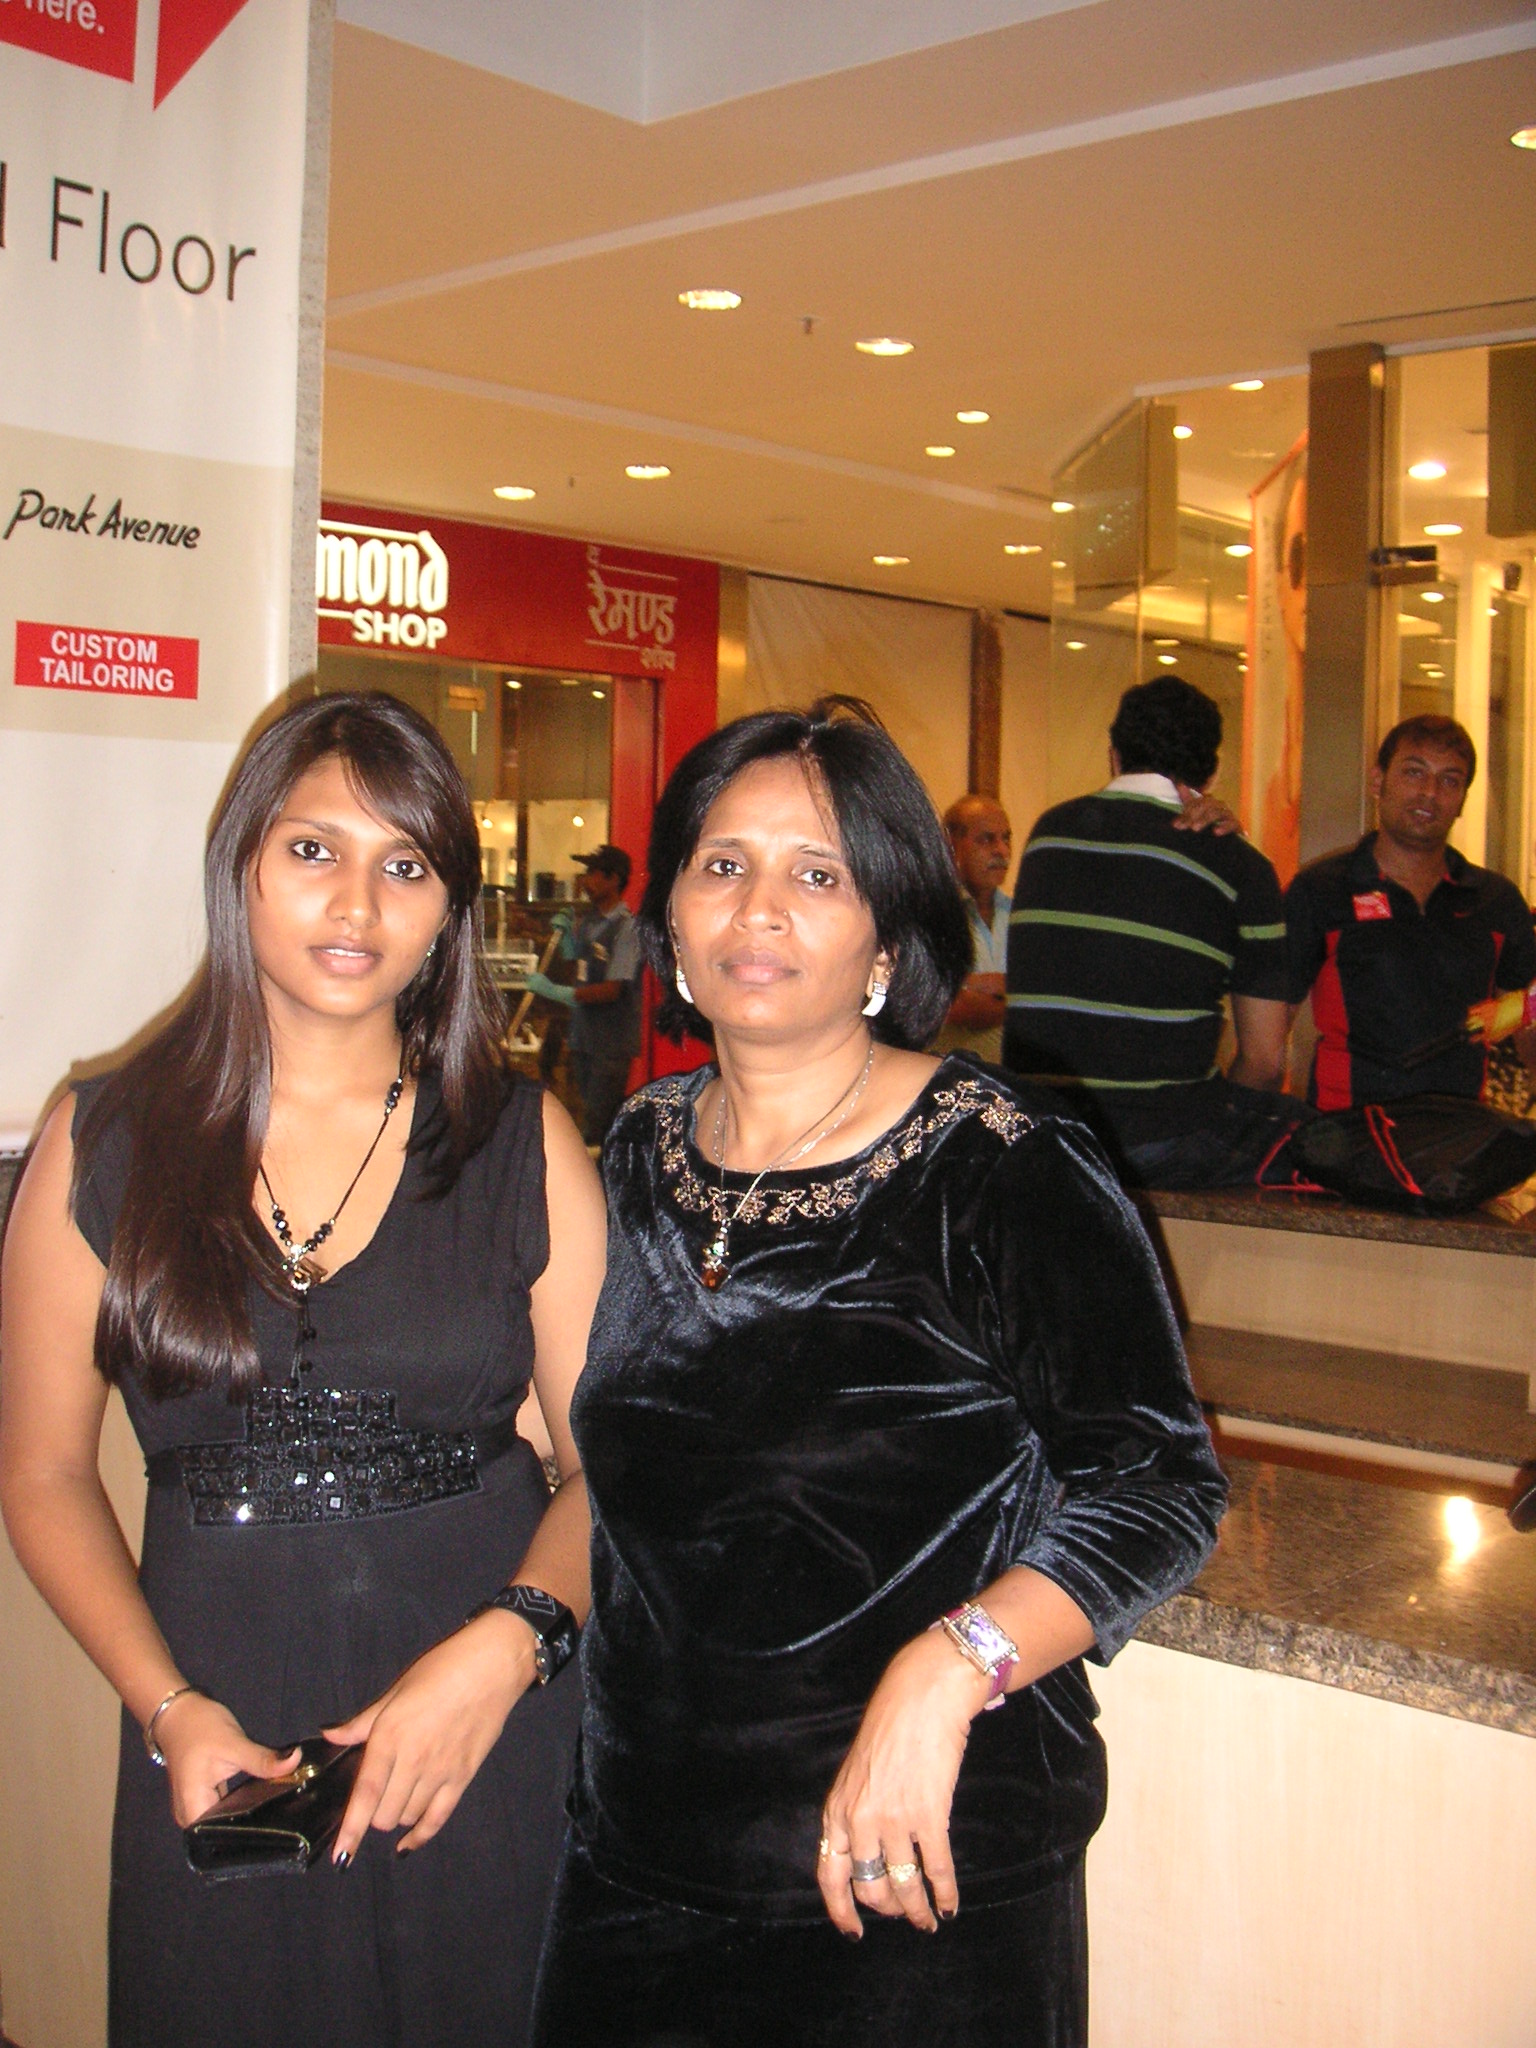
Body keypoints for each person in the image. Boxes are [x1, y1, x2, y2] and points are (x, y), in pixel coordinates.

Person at [529, 700, 1227, 2048]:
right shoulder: (635, 1152)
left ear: (889, 943)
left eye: (819, 874)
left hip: (910, 1865)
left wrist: (953, 1664)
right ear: (672, 915)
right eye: (724, 864)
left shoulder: (1001, 1161)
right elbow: (588, 1459)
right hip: (642, 1852)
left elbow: (1159, 1486)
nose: (760, 909)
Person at [0, 693, 606, 2048]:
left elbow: (605, 1468)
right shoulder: (102, 1138)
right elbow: (40, 1473)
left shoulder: (524, 1143)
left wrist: (506, 1651)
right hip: (223, 1729)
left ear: (449, 908)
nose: (358, 904)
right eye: (314, 849)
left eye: (407, 864)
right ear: (242, 863)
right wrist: (168, 1710)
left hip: (486, 1723)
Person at [1004, 675, 1304, 1189]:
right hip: (1159, 1141)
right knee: (1315, 1134)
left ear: (1114, 755)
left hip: (1039, 1131)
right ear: (1212, 772)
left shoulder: (1048, 833)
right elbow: (1264, 1061)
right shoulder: (1240, 865)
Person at [1283, 714, 1536, 1108]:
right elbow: (1267, 1038)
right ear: (1378, 781)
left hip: (1459, 1134)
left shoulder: (1496, 902)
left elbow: (1526, 1029)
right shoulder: (1321, 891)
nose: (1430, 793)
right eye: (1414, 772)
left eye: (1450, 780)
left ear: (1462, 800)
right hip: (1346, 1132)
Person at [525, 844, 643, 1146]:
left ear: (613, 879)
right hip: (583, 1039)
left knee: (598, 1127)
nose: (585, 881)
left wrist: (557, 992)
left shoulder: (626, 929)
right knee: (580, 1119)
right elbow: (581, 968)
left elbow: (612, 989)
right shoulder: (590, 922)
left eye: (593, 873)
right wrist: (567, 939)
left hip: (610, 1045)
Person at [932, 794, 1012, 1063]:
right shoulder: (932, 914)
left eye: (1006, 838)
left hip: (1013, 1076)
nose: (1001, 851)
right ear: (951, 845)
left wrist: (974, 986)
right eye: (986, 839)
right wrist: (1018, 994)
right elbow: (953, 1007)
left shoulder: (1019, 915)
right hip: (949, 1073)